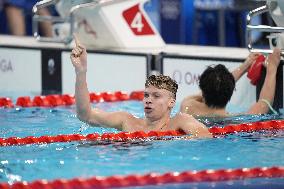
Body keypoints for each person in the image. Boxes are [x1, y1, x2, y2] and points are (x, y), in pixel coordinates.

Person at [70, 35, 212, 138]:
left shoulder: (180, 121)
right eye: (146, 95)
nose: (148, 100)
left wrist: (171, 141)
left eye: (156, 96)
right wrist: (81, 72)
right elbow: (85, 115)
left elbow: (205, 136)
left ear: (171, 102)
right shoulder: (126, 121)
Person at [180, 48, 281, 116]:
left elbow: (209, 89)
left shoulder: (187, 107)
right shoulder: (236, 122)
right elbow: (264, 103)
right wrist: (272, 69)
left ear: (202, 89)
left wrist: (244, 66)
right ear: (231, 92)